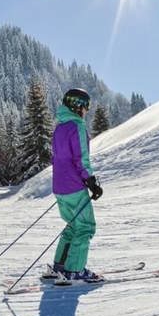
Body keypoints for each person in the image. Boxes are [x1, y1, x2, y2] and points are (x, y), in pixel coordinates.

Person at [50, 88, 104, 283]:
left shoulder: (59, 128)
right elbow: (81, 158)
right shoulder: (77, 127)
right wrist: (90, 180)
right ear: (77, 105)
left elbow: (57, 158)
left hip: (60, 187)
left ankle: (60, 265)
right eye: (85, 106)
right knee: (85, 227)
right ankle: (74, 270)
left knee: (73, 226)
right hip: (74, 186)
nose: (86, 111)